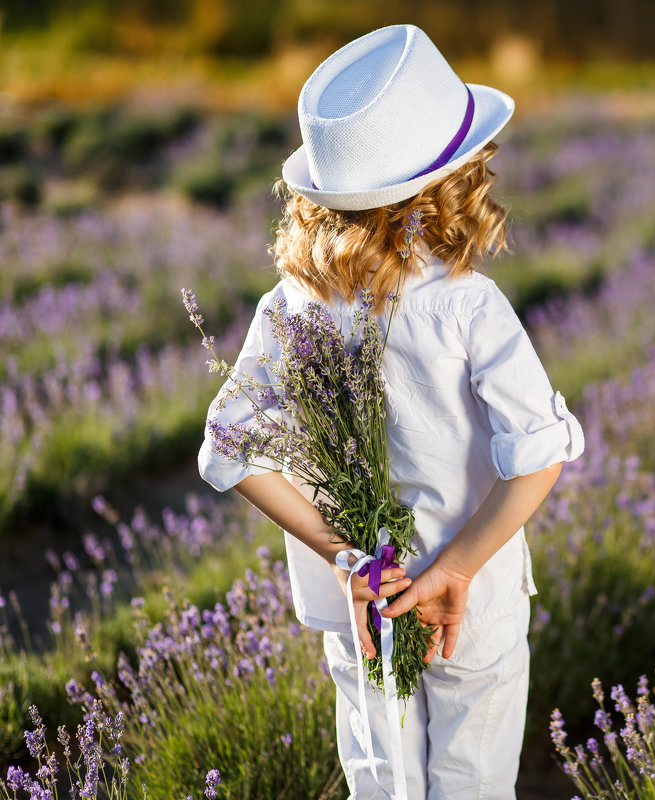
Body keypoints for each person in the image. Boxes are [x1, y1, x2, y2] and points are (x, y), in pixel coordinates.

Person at [196, 25, 584, 800]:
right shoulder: (467, 304)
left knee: (382, 781)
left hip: (361, 608)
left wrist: (345, 556)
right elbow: (539, 453)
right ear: (457, 179)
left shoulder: (290, 306)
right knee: (471, 779)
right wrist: (457, 567)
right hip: (465, 605)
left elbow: (227, 451)